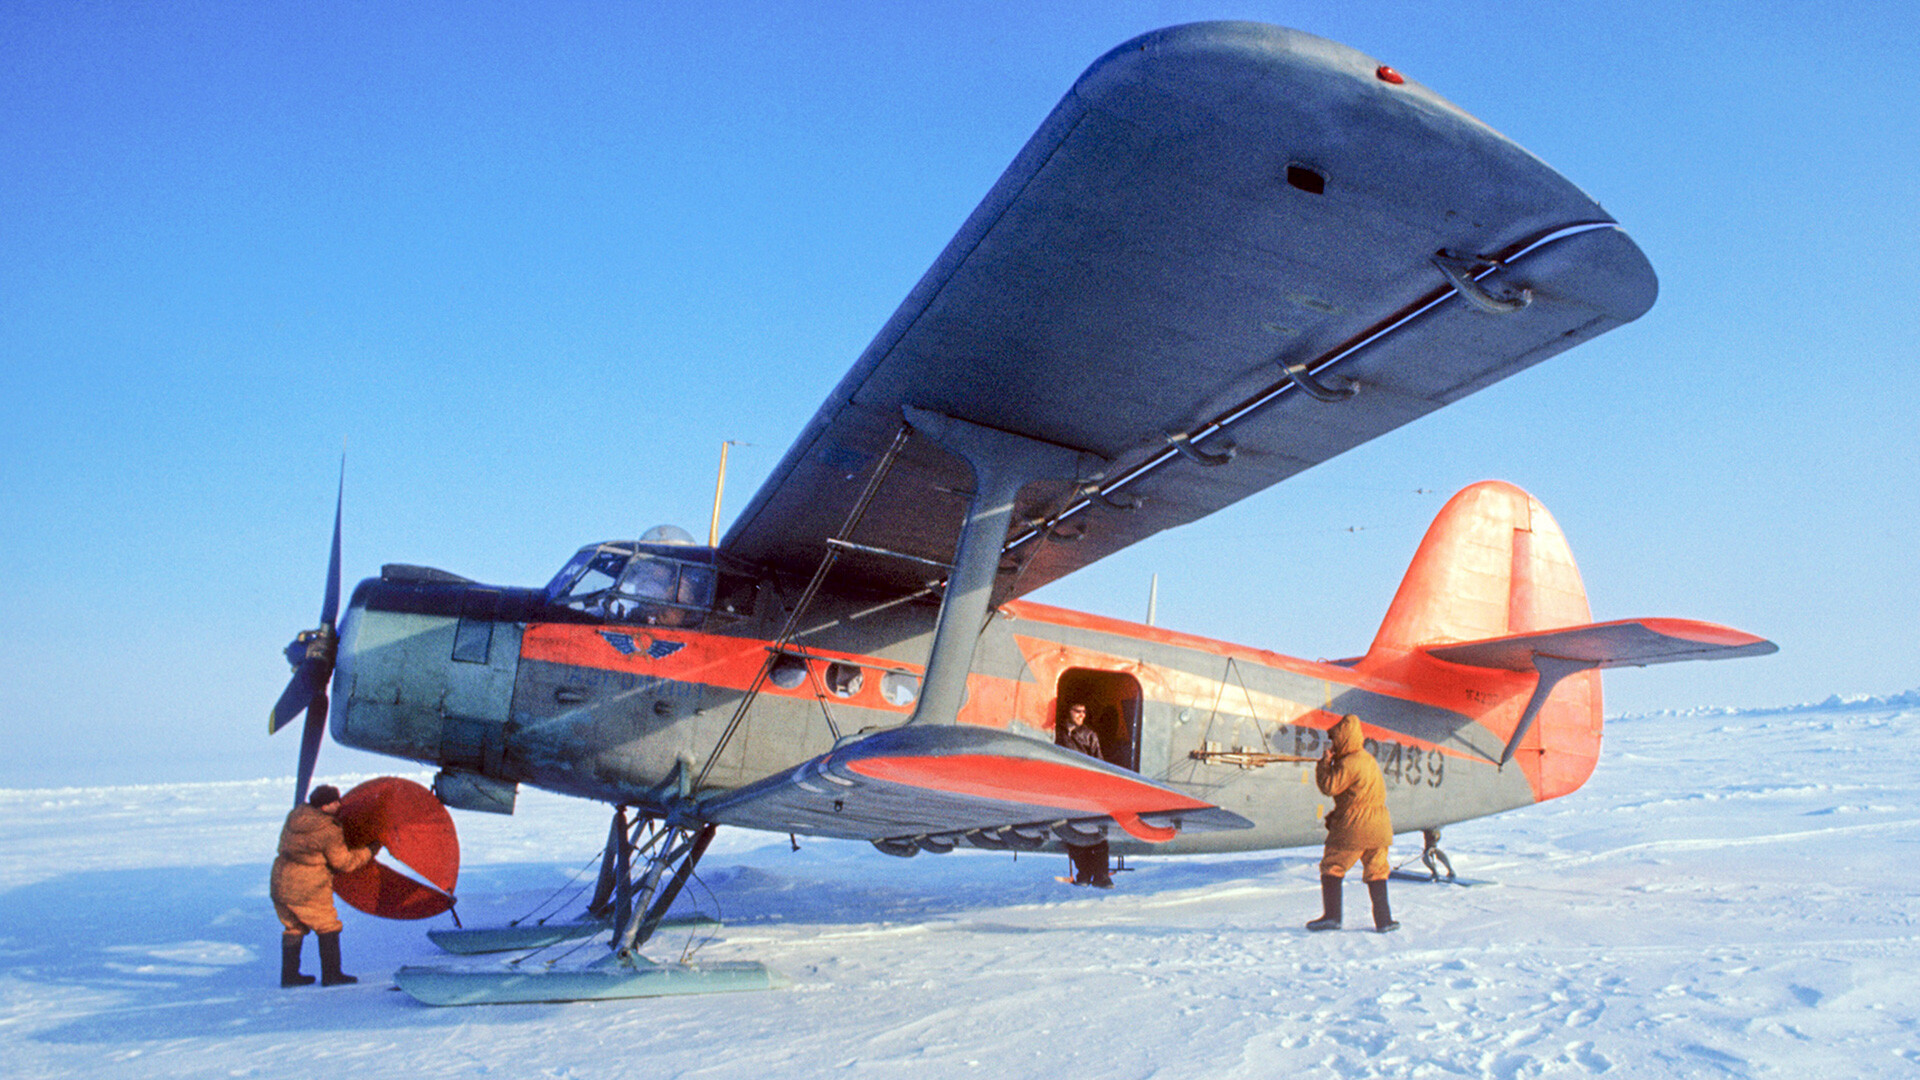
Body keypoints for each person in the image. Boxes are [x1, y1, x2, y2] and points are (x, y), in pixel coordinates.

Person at [271, 784, 377, 986]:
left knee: (293, 926)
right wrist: (369, 851)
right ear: (325, 805)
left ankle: (289, 976)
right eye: (335, 801)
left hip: (280, 881)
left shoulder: (296, 815)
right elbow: (343, 863)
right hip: (307, 886)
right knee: (328, 926)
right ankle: (332, 975)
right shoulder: (328, 830)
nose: (339, 804)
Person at [1308, 714, 1399, 932]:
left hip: (1355, 827)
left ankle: (1332, 917)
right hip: (1380, 827)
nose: (1333, 744)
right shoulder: (1367, 759)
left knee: (1332, 866)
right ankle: (1384, 921)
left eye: (1335, 740)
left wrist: (1324, 765)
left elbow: (1329, 786)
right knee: (1377, 871)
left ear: (1344, 738)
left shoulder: (1349, 763)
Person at [1060, 703, 1113, 888]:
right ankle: (1083, 873)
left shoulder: (1090, 735)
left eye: (1084, 711)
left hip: (1086, 788)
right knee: (1071, 833)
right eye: (1077, 711)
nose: (1082, 715)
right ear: (1069, 711)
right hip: (1066, 789)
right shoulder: (1058, 733)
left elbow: (1098, 762)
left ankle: (1101, 875)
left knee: (1095, 833)